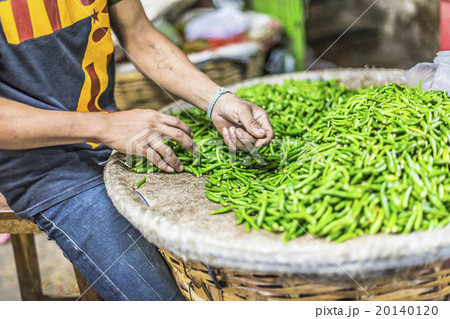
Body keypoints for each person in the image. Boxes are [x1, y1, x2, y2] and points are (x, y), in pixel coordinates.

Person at [0, 0, 274, 300]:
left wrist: (216, 99)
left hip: (113, 140)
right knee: (161, 299)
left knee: (220, 252)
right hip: (44, 167)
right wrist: (105, 126)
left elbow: (139, 34)